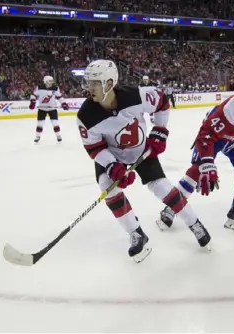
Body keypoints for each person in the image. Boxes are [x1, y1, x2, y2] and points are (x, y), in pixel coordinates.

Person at [76, 60, 211, 263]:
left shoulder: (136, 95)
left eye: (95, 82)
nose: (89, 87)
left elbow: (163, 103)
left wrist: (159, 131)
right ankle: (136, 232)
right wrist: (112, 166)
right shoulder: (86, 115)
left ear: (109, 82)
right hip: (113, 157)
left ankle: (194, 223)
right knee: (107, 187)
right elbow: (94, 148)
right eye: (88, 82)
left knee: (163, 188)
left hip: (142, 151)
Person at [158, 76, 234, 235]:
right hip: (214, 139)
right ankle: (172, 207)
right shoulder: (229, 110)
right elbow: (206, 136)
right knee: (198, 170)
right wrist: (207, 164)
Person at [29, 75, 69, 143]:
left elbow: (59, 97)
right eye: (50, 81)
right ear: (45, 82)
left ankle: (58, 135)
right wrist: (32, 101)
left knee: (55, 123)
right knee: (40, 123)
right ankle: (37, 136)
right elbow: (33, 95)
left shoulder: (55, 88)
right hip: (42, 108)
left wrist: (63, 103)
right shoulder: (39, 87)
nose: (51, 82)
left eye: (51, 81)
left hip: (52, 108)